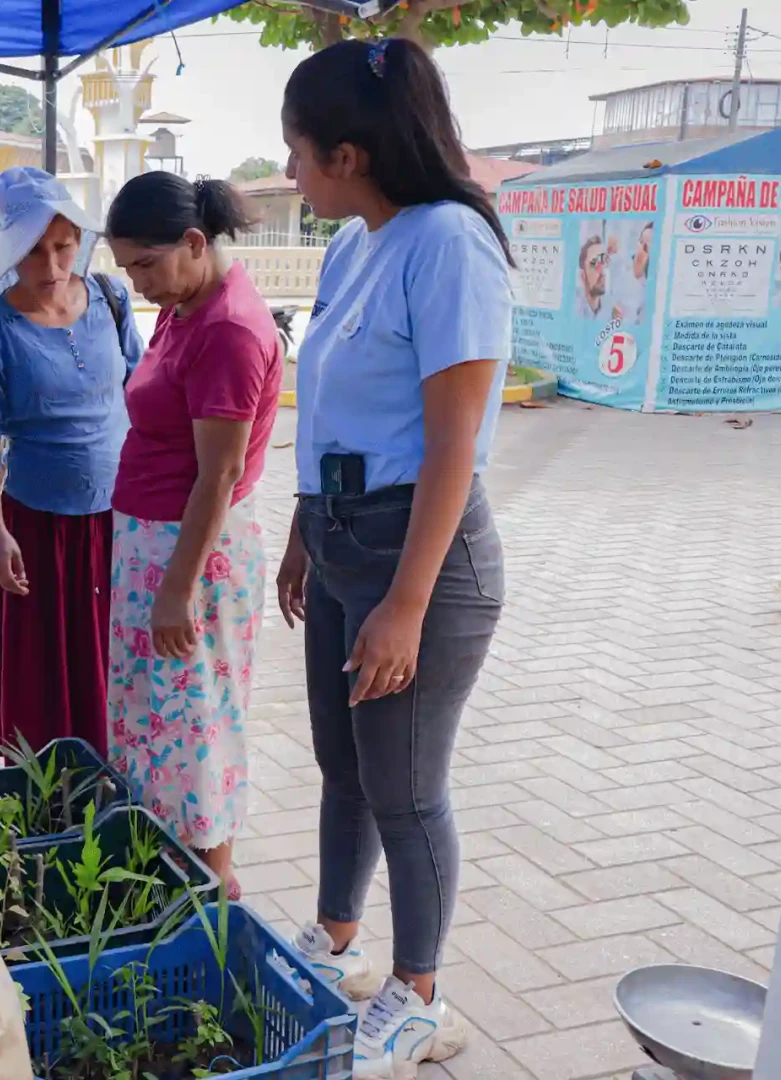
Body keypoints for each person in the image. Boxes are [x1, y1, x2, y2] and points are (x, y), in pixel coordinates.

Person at [274, 38, 511, 1078]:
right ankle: (337, 937)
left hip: (420, 552)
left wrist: (407, 603)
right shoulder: (353, 244)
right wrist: (298, 534)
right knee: (346, 766)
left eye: (297, 152)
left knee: (407, 786)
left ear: (351, 153)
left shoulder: (449, 242)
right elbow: (327, 404)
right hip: (339, 539)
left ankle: (418, 993)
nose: (288, 173)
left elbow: (454, 438)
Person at [104, 171, 282, 899]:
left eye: (146, 264)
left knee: (195, 720)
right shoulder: (186, 305)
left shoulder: (228, 329)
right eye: (127, 270)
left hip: (191, 556)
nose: (139, 283)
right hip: (157, 548)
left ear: (195, 243)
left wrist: (178, 586)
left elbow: (219, 475)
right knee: (155, 719)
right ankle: (167, 865)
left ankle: (212, 883)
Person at [0, 167, 142, 758]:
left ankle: (122, 778)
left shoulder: (110, 298)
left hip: (120, 517)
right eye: (35, 251)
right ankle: (53, 787)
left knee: (117, 656)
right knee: (48, 668)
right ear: (10, 250)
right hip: (38, 527)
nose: (55, 267)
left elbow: (142, 391)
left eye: (64, 247)